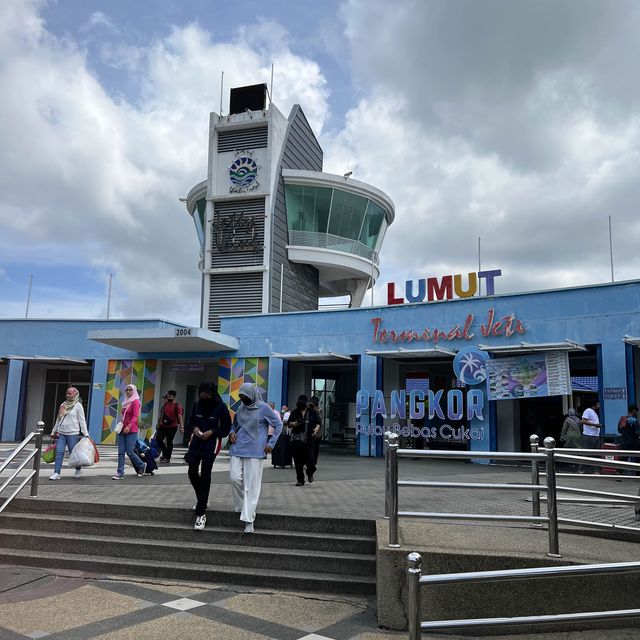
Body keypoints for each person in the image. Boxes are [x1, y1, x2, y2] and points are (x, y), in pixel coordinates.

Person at [229, 383, 282, 533]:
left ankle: (248, 519)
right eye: (240, 397)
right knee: (234, 478)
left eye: (245, 397)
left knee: (251, 486)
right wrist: (232, 432)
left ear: (252, 395)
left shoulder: (264, 407)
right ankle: (242, 507)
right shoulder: (240, 408)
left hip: (255, 450)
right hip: (238, 447)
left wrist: (271, 443)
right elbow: (234, 424)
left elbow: (278, 425)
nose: (242, 400)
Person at [187, 382, 231, 531]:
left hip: (211, 444)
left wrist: (212, 432)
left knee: (206, 475)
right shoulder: (197, 404)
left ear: (212, 393)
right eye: (202, 393)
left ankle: (201, 513)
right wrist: (195, 428)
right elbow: (191, 421)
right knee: (192, 472)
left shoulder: (221, 406)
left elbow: (226, 428)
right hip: (196, 443)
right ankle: (203, 499)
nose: (204, 396)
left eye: (207, 394)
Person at [49, 387, 89, 480]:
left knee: (73, 453)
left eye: (70, 393)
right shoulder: (63, 404)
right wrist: (54, 431)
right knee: (59, 452)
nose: (67, 395)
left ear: (75, 394)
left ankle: (78, 469)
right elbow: (59, 419)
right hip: (61, 432)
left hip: (73, 433)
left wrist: (85, 433)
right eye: (67, 393)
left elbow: (81, 420)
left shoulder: (78, 406)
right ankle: (56, 473)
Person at [112, 384, 147, 480]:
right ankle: (120, 473)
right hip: (122, 429)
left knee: (129, 451)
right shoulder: (125, 402)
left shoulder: (135, 401)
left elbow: (135, 416)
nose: (128, 391)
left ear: (134, 391)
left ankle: (141, 465)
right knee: (120, 452)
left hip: (132, 430)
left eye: (130, 390)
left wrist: (129, 426)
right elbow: (124, 416)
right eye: (126, 390)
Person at [288, 394, 321, 486]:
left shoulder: (312, 412)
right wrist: (294, 424)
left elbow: (318, 422)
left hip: (309, 440)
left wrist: (317, 428)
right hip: (297, 440)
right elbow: (289, 423)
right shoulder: (295, 412)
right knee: (298, 461)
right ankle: (300, 480)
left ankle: (310, 472)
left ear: (306, 403)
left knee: (310, 459)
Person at [156, 389, 184, 463]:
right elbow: (162, 414)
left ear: (174, 397)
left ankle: (167, 458)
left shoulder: (177, 405)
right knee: (158, 438)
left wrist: (181, 427)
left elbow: (180, 415)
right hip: (163, 425)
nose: (168, 398)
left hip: (172, 426)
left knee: (169, 442)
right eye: (168, 396)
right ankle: (165, 453)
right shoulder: (165, 404)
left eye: (170, 397)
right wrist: (159, 423)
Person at [579, 400, 603, 474]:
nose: (599, 406)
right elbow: (583, 421)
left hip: (595, 435)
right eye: (598, 404)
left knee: (594, 454)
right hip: (588, 435)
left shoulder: (594, 412)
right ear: (594, 405)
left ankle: (593, 470)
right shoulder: (588, 411)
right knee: (587, 453)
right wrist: (595, 425)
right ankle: (582, 469)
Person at [308, 396, 323, 466]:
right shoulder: (308, 410)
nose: (311, 404)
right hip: (309, 432)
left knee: (315, 449)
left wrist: (315, 411)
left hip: (317, 434)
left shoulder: (319, 410)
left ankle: (314, 463)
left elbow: (320, 419)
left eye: (312, 403)